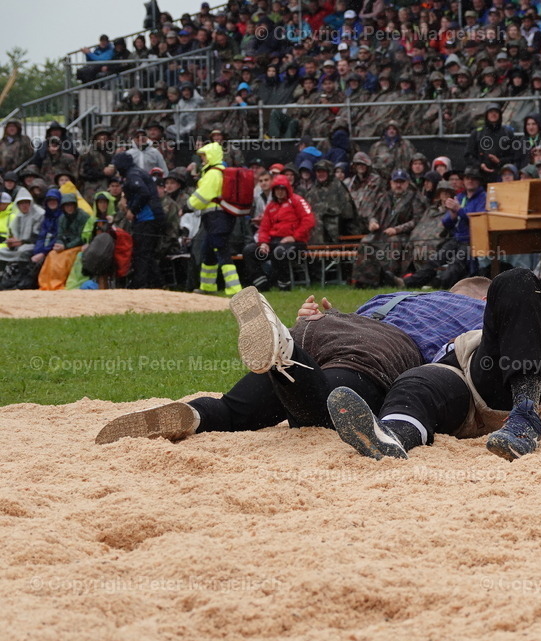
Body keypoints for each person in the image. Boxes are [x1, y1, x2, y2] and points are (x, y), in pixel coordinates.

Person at [96, 280, 492, 444]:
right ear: (484, 299)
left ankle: (195, 413)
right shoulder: (479, 313)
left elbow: (351, 323)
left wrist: (314, 322)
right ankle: (286, 354)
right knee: (325, 408)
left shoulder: (396, 297)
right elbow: (462, 361)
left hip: (326, 327)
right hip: (382, 349)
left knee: (235, 411)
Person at [326, 270, 541, 462]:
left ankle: (525, 417)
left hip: (501, 388)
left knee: (518, 280)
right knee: (416, 383)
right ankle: (393, 436)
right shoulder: (439, 343)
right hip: (453, 387)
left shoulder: (535, 340)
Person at [242, 174, 316, 292]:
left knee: (279, 252)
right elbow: (264, 227)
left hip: (296, 242)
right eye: (277, 189)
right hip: (274, 241)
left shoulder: (297, 200)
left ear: (287, 189)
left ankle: (284, 285)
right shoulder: (271, 206)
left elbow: (309, 220)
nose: (279, 192)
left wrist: (294, 237)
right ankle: (262, 285)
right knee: (249, 251)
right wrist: (263, 243)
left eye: (282, 189)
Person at [353, 169, 426, 287]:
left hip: (404, 235)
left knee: (393, 242)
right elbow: (373, 214)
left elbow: (417, 220)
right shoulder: (384, 197)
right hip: (382, 233)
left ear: (407, 183)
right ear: (391, 183)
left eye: (401, 182)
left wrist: (397, 229)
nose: (398, 185)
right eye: (396, 182)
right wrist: (373, 222)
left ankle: (391, 279)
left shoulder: (414, 198)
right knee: (366, 241)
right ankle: (364, 280)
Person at [189, 142, 242, 296]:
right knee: (208, 251)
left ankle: (235, 289)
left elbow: (203, 196)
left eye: (204, 156)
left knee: (221, 250)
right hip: (218, 218)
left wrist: (188, 205)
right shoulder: (219, 172)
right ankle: (207, 287)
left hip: (217, 218)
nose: (202, 159)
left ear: (211, 156)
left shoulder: (213, 173)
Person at [112, 152, 165, 289]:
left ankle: (140, 283)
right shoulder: (136, 172)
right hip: (151, 217)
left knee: (141, 252)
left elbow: (143, 193)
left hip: (147, 218)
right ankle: (157, 283)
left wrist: (133, 210)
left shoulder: (133, 175)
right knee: (147, 252)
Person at [464, 103, 517, 182]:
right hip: (480, 177)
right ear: (486, 115)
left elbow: (514, 156)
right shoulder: (477, 133)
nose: (493, 114)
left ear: (500, 115)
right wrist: (480, 165)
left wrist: (500, 161)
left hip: (502, 176)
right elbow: (468, 155)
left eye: (496, 112)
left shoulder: (507, 133)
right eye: (491, 112)